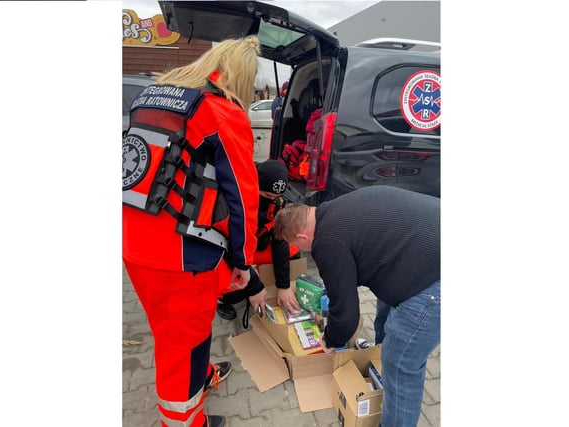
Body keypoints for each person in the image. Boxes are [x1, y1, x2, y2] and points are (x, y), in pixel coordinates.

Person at [122, 36, 261, 427]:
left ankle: (197, 380)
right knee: (178, 345)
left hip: (134, 241)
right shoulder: (221, 113)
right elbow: (242, 195)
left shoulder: (148, 98)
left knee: (174, 330)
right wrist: (243, 262)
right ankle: (183, 420)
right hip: (180, 257)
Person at [273, 186, 440, 427]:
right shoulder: (332, 208)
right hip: (425, 244)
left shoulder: (326, 241)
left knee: (401, 364)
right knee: (385, 311)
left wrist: (331, 340)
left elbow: (347, 315)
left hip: (433, 280)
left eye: (298, 246)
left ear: (301, 238)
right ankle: (379, 363)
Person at [216, 160, 302, 324]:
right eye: (268, 196)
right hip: (229, 249)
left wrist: (283, 286)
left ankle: (271, 283)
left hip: (255, 243)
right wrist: (254, 286)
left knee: (292, 252)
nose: (273, 200)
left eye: (277, 197)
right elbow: (228, 248)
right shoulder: (232, 200)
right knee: (235, 289)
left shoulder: (278, 203)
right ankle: (222, 300)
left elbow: (279, 241)